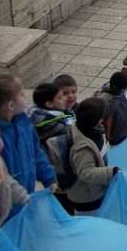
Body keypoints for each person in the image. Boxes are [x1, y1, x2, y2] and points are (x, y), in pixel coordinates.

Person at [0, 75, 57, 219]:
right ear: (10, 105)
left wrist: (48, 177)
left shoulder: (24, 123)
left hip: (24, 198)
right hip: (4, 208)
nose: (25, 96)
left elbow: (36, 152)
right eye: (22, 94)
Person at [27, 82, 76, 214]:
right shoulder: (55, 126)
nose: (66, 98)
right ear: (49, 104)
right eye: (61, 97)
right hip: (61, 175)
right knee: (66, 207)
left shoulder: (35, 116)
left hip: (52, 174)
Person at [67, 98, 119, 216]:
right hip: (88, 197)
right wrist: (111, 172)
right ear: (96, 120)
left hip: (90, 191)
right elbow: (85, 172)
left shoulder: (83, 128)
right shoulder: (82, 146)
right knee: (93, 223)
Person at [96, 72, 127, 146]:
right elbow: (99, 119)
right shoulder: (104, 99)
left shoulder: (122, 93)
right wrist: (106, 133)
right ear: (123, 87)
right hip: (117, 138)